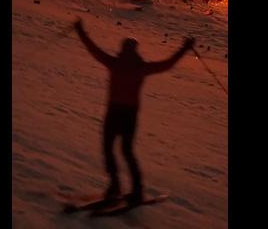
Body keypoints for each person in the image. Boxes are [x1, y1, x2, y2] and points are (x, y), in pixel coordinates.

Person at [74, 18, 195, 205]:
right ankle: (135, 190)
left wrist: (80, 31)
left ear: (123, 49)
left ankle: (115, 187)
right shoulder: (141, 67)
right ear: (134, 50)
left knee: (109, 148)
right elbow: (168, 64)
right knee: (126, 150)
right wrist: (185, 48)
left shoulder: (115, 63)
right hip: (129, 114)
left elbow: (93, 49)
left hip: (114, 112)